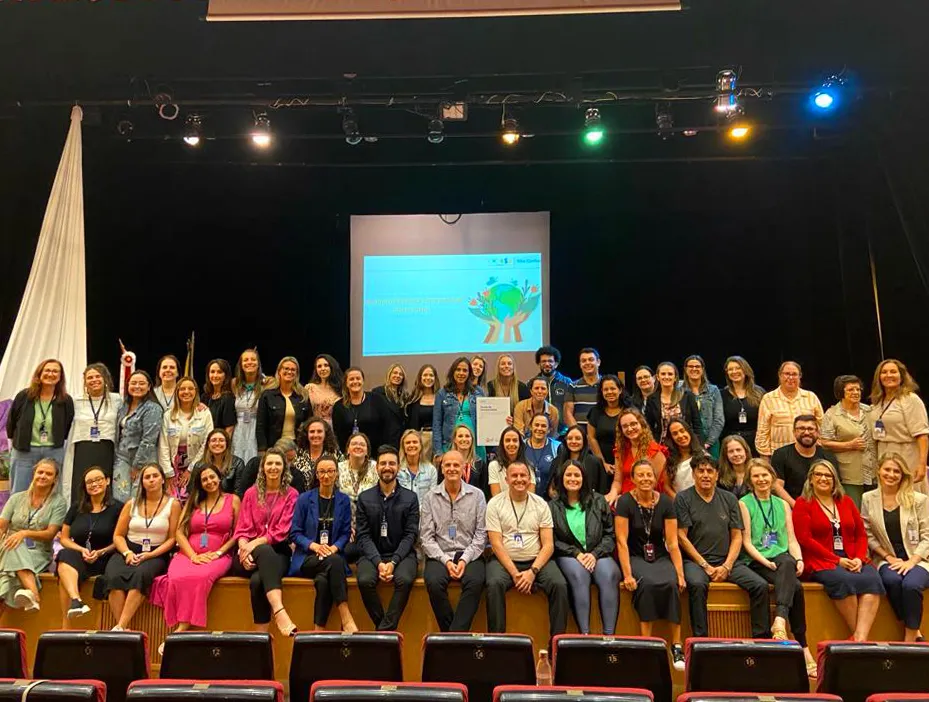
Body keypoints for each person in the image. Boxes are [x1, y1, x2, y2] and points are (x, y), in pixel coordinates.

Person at [675, 455, 771, 638]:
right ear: (693, 474)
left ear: (717, 475)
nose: (705, 475)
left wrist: (727, 566)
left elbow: (737, 536)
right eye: (700, 471)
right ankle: (700, 641)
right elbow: (681, 537)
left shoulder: (729, 498)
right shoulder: (683, 498)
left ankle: (761, 640)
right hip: (695, 562)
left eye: (710, 471)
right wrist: (705, 565)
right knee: (697, 585)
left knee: (760, 585)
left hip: (728, 561)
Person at [739, 458, 816, 677]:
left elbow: (791, 539)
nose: (761, 479)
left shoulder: (782, 504)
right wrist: (766, 562)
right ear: (750, 480)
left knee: (792, 570)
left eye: (765, 475)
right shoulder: (744, 503)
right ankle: (802, 647)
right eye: (756, 476)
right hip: (757, 561)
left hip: (782, 560)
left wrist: (799, 559)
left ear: (772, 477)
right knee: (795, 586)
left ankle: (783, 625)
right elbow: (746, 541)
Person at [793, 459, 884, 641]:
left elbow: (861, 534)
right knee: (843, 580)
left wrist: (859, 558)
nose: (823, 478)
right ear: (811, 479)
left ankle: (859, 638)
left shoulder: (846, 501)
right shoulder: (803, 503)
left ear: (835, 480)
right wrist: (837, 560)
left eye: (828, 475)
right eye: (818, 474)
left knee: (872, 579)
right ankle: (861, 640)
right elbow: (805, 539)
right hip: (820, 560)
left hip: (852, 557)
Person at [151, 464, 239, 646]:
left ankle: (180, 630)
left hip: (217, 556)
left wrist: (219, 552)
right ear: (200, 483)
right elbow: (179, 532)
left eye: (212, 477)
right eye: (204, 479)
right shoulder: (194, 501)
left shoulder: (233, 500)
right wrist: (192, 556)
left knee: (201, 577)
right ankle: (177, 628)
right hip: (188, 554)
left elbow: (238, 533)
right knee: (176, 578)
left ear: (219, 478)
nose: (209, 481)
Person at [615, 458, 686, 670]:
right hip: (636, 555)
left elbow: (672, 543)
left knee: (672, 584)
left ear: (655, 479)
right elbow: (621, 541)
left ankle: (676, 646)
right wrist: (627, 574)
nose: (645, 479)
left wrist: (680, 574)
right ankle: (647, 644)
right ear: (633, 479)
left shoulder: (665, 502)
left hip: (660, 555)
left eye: (649, 475)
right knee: (646, 584)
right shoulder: (625, 502)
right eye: (641, 475)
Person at [485, 461, 569, 639]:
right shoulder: (494, 504)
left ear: (530, 479)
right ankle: (497, 643)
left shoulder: (541, 504)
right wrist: (515, 574)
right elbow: (496, 544)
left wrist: (532, 571)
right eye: (514, 476)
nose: (519, 479)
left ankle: (556, 644)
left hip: (536, 560)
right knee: (494, 584)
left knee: (559, 585)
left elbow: (548, 545)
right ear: (506, 479)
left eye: (523, 475)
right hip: (505, 561)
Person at [101, 463, 180, 630]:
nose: (151, 480)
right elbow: (118, 535)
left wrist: (150, 555)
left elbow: (172, 539)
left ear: (163, 480)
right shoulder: (131, 504)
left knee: (140, 575)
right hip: (128, 550)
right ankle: (123, 629)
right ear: (142, 482)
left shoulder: (173, 504)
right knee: (113, 576)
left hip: (156, 553)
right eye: (147, 477)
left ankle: (120, 627)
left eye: (155, 476)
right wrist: (127, 553)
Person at [230, 449, 299, 635]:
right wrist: (244, 549)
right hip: (247, 554)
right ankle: (280, 611)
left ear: (284, 468)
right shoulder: (251, 493)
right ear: (263, 467)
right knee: (263, 552)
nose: (273, 467)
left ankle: (261, 636)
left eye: (278, 463)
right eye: (269, 463)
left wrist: (254, 544)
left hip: (278, 551)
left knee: (257, 581)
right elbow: (241, 529)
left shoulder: (291, 494)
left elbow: (282, 531)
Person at [861, 453, 929, 642]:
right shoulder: (868, 498)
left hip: (919, 559)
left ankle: (910, 639)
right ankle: (915, 631)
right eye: (887, 470)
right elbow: (868, 534)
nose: (891, 474)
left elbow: (927, 536)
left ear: (903, 475)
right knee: (892, 581)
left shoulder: (918, 499)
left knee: (911, 585)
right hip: (887, 558)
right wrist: (888, 557)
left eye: (896, 471)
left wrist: (911, 562)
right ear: (879, 471)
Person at [289, 455, 358, 633]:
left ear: (336, 474)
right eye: (322, 472)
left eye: (330, 471)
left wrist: (334, 548)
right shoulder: (304, 499)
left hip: (332, 555)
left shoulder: (343, 500)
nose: (326, 476)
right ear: (316, 475)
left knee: (323, 581)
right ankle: (345, 615)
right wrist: (315, 546)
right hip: (308, 557)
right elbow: (295, 533)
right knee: (334, 562)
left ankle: (318, 631)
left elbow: (345, 533)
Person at [550, 460, 619, 634]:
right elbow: (553, 540)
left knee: (609, 575)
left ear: (584, 478)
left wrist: (594, 554)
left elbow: (610, 535)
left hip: (598, 553)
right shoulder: (552, 506)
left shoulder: (599, 501)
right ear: (561, 478)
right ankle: (585, 635)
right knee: (579, 576)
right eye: (568, 475)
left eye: (577, 475)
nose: (572, 479)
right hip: (568, 554)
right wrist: (576, 553)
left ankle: (609, 636)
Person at [421, 450, 487, 631]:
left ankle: (452, 637)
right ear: (442, 468)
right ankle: (455, 636)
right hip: (440, 554)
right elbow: (426, 537)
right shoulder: (430, 497)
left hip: (469, 553)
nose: (452, 468)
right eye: (447, 465)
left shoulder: (477, 496)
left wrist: (464, 559)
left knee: (476, 581)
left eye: (456, 465)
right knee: (433, 582)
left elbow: (481, 535)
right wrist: (446, 561)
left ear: (464, 468)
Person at [355, 445, 420, 630]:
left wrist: (393, 562)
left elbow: (410, 535)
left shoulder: (410, 498)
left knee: (404, 580)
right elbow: (363, 536)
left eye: (392, 463)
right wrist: (379, 563)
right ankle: (385, 628)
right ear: (376, 467)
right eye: (383, 463)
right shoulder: (364, 498)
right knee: (365, 580)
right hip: (372, 555)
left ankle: (384, 631)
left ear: (398, 467)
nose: (387, 467)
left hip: (402, 555)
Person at [56, 466, 122, 626]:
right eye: (90, 482)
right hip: (81, 556)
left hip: (106, 557)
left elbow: (121, 538)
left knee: (64, 574)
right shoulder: (76, 507)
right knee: (64, 555)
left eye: (98, 479)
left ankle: (66, 625)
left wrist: (101, 552)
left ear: (107, 481)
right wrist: (81, 550)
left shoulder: (118, 508)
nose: (94, 484)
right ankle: (76, 601)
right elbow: (64, 538)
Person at [0, 458, 67, 612]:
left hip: (38, 552)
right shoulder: (16, 498)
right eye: (40, 472)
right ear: (34, 474)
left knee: (6, 575)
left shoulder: (59, 502)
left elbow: (50, 533)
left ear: (55, 479)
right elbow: (2, 527)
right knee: (12, 545)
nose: (43, 476)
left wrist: (24, 533)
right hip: (8, 548)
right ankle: (34, 595)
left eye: (48, 474)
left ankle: (32, 597)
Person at [6, 359, 74, 494]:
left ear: (60, 376)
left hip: (53, 452)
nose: (51, 374)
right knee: (19, 492)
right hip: (24, 452)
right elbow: (11, 422)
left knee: (51, 493)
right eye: (47, 370)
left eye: (55, 371)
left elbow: (67, 425)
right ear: (39, 373)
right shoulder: (23, 396)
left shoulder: (65, 400)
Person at [870, 359, 929, 492]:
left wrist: (922, 464)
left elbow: (922, 434)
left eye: (893, 372)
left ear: (901, 376)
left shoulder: (910, 399)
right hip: (883, 454)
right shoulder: (878, 401)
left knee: (908, 495)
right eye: (884, 372)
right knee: (888, 497)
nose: (888, 375)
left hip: (906, 454)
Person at [67, 363, 121, 502]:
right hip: (83, 449)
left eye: (98, 376)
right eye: (90, 377)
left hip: (106, 448)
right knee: (82, 486)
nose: (94, 380)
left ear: (105, 379)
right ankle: (80, 513)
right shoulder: (76, 401)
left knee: (104, 486)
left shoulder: (116, 400)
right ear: (85, 382)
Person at [821, 375, 876, 507]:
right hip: (850, 474)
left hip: (874, 472)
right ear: (841, 392)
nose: (856, 392)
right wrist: (848, 445)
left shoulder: (870, 411)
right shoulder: (832, 414)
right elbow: (824, 442)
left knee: (873, 510)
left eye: (858, 389)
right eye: (851, 389)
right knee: (853, 509)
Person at [112, 371, 164, 503]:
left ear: (149, 387)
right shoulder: (124, 406)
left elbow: (149, 440)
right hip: (122, 458)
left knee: (138, 499)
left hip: (143, 460)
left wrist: (137, 465)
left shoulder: (153, 408)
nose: (137, 386)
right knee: (119, 498)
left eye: (141, 383)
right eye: (133, 383)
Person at [159, 377, 214, 499]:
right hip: (173, 467)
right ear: (177, 392)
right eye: (182, 389)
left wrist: (191, 470)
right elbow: (163, 445)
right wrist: (168, 473)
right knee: (173, 500)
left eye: (190, 388)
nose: (186, 392)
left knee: (193, 499)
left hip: (197, 464)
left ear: (196, 391)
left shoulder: (204, 413)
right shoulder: (168, 415)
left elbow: (207, 442)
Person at [756, 361, 824, 458]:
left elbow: (822, 426)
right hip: (779, 455)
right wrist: (765, 456)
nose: (791, 377)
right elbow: (762, 431)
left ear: (800, 376)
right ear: (780, 375)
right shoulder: (768, 399)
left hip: (808, 454)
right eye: (787, 374)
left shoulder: (811, 397)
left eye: (794, 374)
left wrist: (818, 449)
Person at [772, 415, 838, 506]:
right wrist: (796, 506)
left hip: (822, 506)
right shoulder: (781, 454)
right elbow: (777, 486)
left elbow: (834, 486)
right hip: (790, 506)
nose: (806, 432)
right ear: (794, 432)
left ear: (818, 433)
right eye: (801, 428)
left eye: (810, 429)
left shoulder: (828, 456)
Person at [606, 408, 668, 502]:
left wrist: (626, 499)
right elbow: (618, 481)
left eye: (633, 424)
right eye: (625, 426)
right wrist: (612, 494)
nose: (630, 429)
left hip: (646, 498)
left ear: (641, 424)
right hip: (623, 496)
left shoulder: (655, 451)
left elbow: (652, 484)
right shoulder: (620, 450)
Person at [257, 357, 310, 453]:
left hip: (297, 446)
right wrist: (262, 449)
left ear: (297, 374)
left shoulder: (303, 396)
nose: (289, 372)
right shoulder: (267, 395)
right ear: (279, 372)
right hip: (273, 447)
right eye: (286, 368)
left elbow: (309, 423)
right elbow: (260, 426)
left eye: (293, 370)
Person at [433, 357, 484, 457]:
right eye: (458, 369)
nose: (461, 373)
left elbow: (486, 419)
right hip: (449, 445)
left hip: (475, 446)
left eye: (465, 370)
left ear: (469, 373)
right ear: (452, 372)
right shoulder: (442, 393)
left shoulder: (478, 392)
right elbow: (437, 424)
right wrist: (438, 452)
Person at [332, 367, 391, 452]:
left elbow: (386, 427)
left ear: (363, 381)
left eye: (358, 378)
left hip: (375, 453)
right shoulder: (339, 406)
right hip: (349, 454)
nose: (355, 381)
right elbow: (338, 434)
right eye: (351, 379)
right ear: (346, 383)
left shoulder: (377, 400)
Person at [645, 361, 703, 445]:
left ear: (675, 377)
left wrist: (699, 446)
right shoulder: (652, 399)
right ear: (657, 377)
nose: (666, 377)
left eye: (670, 374)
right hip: (662, 445)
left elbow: (697, 425)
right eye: (663, 374)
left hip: (685, 443)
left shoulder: (687, 395)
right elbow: (648, 426)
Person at [231, 348, 269, 464]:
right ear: (241, 365)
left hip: (256, 429)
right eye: (246, 360)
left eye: (253, 359)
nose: (249, 362)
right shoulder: (234, 384)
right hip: (238, 430)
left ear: (258, 364)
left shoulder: (267, 383)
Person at [585, 375, 628, 477]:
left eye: (613, 388)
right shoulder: (595, 411)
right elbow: (591, 437)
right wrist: (602, 463)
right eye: (606, 389)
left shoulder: (629, 410)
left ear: (620, 390)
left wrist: (620, 465)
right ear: (602, 392)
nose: (609, 392)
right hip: (600, 462)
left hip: (626, 461)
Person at [549, 425, 611, 496]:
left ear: (584, 441)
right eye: (570, 438)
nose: (573, 441)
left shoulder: (595, 462)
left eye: (578, 438)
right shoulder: (557, 461)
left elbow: (602, 490)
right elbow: (550, 488)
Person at [721, 356, 765, 454]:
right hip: (730, 445)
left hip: (755, 443)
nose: (734, 371)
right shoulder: (721, 394)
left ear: (745, 370)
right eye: (730, 369)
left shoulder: (759, 393)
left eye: (738, 368)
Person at [236, 438, 307, 498]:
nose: (289, 464)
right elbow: (242, 491)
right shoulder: (254, 465)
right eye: (287, 460)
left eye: (292, 460)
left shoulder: (296, 475)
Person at [683, 355, 725, 457]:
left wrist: (708, 442)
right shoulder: (679, 390)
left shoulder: (713, 390)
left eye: (697, 366)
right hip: (686, 441)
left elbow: (719, 419)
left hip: (710, 442)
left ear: (702, 369)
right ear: (685, 369)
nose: (694, 369)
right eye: (691, 366)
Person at [293, 417, 341, 492]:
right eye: (312, 432)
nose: (315, 435)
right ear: (306, 434)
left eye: (319, 431)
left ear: (325, 434)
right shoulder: (297, 455)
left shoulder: (335, 454)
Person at [197, 428, 247, 496]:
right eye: (213, 440)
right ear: (208, 444)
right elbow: (193, 492)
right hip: (205, 502)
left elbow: (239, 493)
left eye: (221, 440)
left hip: (231, 502)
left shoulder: (238, 463)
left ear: (227, 443)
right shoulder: (199, 465)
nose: (217, 443)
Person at [536, 345, 572, 436]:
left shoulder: (567, 382)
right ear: (539, 363)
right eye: (543, 361)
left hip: (563, 433)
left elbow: (572, 408)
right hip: (539, 431)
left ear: (556, 364)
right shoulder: (532, 384)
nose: (547, 364)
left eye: (550, 361)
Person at [524, 413, 561, 498]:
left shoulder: (557, 447)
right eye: (536, 425)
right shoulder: (521, 446)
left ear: (549, 430)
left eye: (543, 426)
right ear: (530, 427)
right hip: (525, 498)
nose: (539, 428)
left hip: (549, 499)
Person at [373, 363, 409, 451]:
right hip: (383, 438)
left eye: (400, 374)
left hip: (400, 439)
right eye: (395, 373)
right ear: (389, 375)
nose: (398, 376)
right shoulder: (378, 393)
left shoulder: (405, 396)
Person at [396, 429, 438, 504]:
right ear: (403, 447)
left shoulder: (431, 470)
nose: (411, 445)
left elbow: (432, 499)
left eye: (415, 442)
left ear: (421, 445)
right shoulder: (396, 470)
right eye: (408, 443)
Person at [563, 348, 601, 430]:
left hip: (602, 433)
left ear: (598, 362)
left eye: (591, 360)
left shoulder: (606, 385)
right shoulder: (573, 386)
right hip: (580, 435)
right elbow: (568, 413)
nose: (587, 363)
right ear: (580, 364)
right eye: (584, 361)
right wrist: (578, 432)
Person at [664, 419, 703, 498]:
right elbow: (666, 486)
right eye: (675, 434)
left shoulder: (703, 456)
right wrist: (679, 501)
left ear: (688, 432)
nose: (680, 435)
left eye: (682, 431)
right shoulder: (669, 460)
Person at [448, 423, 489, 498]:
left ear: (472, 439)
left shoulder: (480, 464)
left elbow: (485, 492)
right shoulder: (447, 463)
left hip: (474, 503)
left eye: (467, 436)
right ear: (454, 440)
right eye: (460, 436)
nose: (464, 439)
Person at [407, 364, 439, 458]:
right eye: (425, 375)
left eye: (431, 375)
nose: (428, 378)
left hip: (438, 440)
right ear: (420, 378)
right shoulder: (413, 399)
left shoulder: (441, 398)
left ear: (435, 378)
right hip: (420, 439)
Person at [488, 426, 530, 496]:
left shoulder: (528, 466)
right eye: (508, 440)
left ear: (520, 443)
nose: (511, 444)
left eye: (515, 440)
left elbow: (531, 497)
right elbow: (496, 497)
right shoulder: (494, 466)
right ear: (502, 443)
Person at [203, 359, 237, 438]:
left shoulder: (228, 398)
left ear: (226, 376)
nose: (215, 375)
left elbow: (229, 429)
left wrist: (223, 443)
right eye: (212, 372)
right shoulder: (205, 397)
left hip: (219, 442)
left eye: (219, 372)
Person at [306, 354, 343, 426]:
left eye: (326, 365)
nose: (323, 369)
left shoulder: (341, 388)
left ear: (332, 367)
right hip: (316, 428)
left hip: (336, 428)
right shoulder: (310, 388)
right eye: (319, 366)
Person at [718, 434, 753, 499]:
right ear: (725, 455)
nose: (736, 454)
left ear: (746, 451)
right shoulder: (719, 476)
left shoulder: (756, 471)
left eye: (738, 450)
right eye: (731, 451)